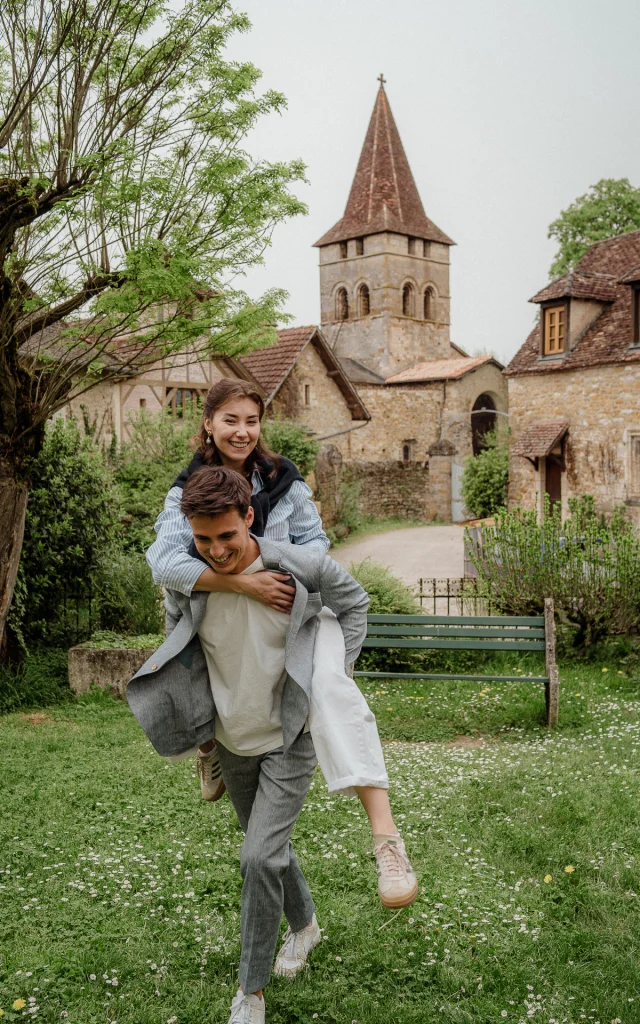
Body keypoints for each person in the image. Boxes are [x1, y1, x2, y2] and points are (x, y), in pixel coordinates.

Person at [128, 466, 417, 1023]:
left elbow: (354, 602)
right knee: (269, 853)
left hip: (289, 736)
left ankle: (250, 992)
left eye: (227, 537)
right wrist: (201, 731)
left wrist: (334, 671)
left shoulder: (295, 565)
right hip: (232, 737)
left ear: (250, 518)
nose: (216, 550)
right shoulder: (189, 580)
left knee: (258, 856)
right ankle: (305, 926)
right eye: (203, 539)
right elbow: (181, 643)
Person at [146, 378, 417, 909]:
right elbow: (165, 561)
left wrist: (285, 571)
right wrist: (240, 580)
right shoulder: (187, 491)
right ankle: (209, 746)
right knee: (196, 665)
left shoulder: (284, 481)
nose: (242, 431)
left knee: (330, 685)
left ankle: (387, 840)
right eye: (230, 420)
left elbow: (316, 545)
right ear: (208, 423)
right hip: (229, 612)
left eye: (251, 420)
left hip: (288, 614)